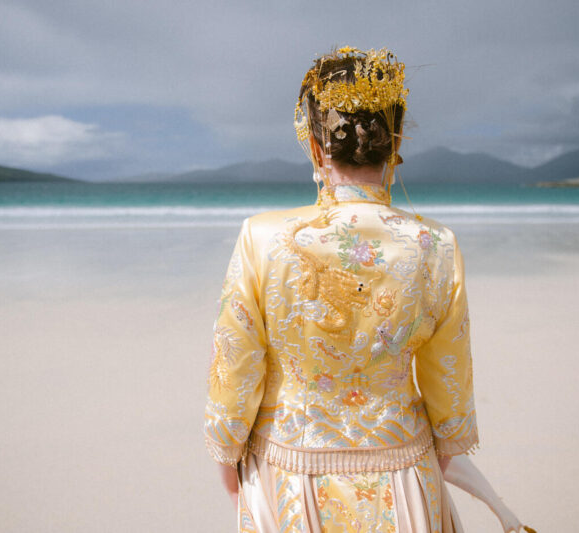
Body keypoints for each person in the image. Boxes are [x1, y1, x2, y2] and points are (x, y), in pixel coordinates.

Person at [204, 46, 533, 533]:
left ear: (316, 146)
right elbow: (450, 398)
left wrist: (230, 465)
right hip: (405, 470)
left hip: (289, 472)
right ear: (393, 142)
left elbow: (235, 372)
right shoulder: (435, 245)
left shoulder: (261, 238)